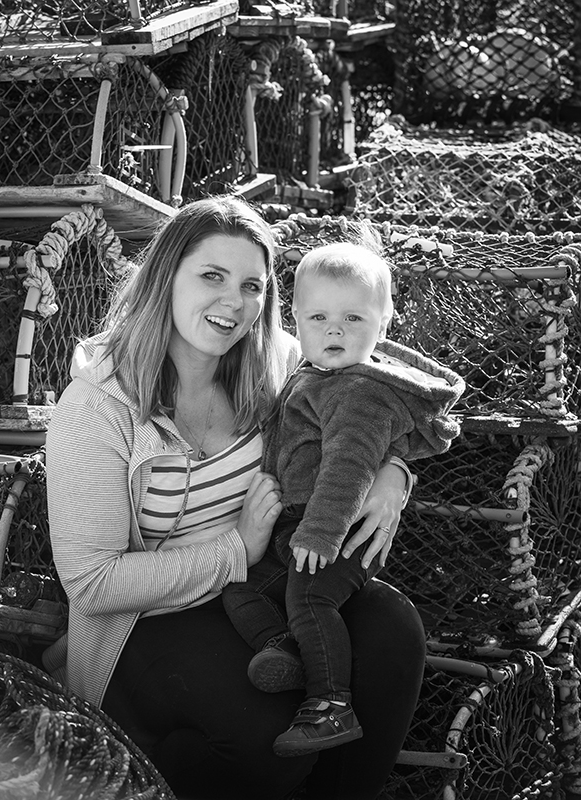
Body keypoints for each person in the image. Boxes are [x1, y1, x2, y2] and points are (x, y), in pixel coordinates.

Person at [42, 195, 427, 800]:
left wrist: (394, 471)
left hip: (257, 591)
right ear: (167, 276)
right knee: (265, 728)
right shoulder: (96, 407)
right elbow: (91, 582)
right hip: (143, 624)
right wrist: (236, 549)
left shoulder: (279, 364)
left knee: (390, 627)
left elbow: (382, 391)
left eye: (252, 286)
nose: (234, 302)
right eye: (212, 276)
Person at [222, 232, 465, 759]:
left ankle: (330, 704)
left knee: (312, 598)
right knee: (241, 589)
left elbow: (348, 467)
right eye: (319, 317)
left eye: (353, 318)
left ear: (384, 322)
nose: (334, 329)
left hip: (338, 528)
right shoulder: (315, 374)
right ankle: (288, 648)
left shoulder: (358, 391)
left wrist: (322, 531)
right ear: (295, 319)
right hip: (300, 524)